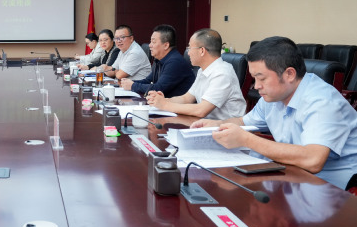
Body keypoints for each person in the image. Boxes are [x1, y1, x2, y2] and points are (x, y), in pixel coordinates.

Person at [192, 36, 357, 190]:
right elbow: (243, 122)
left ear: (289, 74)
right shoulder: (273, 96)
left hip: (335, 189)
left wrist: (246, 140)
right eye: (254, 78)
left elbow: (313, 160)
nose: (256, 86)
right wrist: (217, 124)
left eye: (262, 78)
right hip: (293, 177)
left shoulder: (322, 101)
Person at [147, 28, 245, 119]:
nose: (188, 53)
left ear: (202, 50)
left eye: (190, 48)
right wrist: (163, 100)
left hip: (228, 128)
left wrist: (165, 105)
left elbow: (201, 110)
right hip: (207, 124)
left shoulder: (222, 73)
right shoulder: (202, 70)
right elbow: (186, 98)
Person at [120, 24, 195, 97]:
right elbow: (148, 81)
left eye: (153, 42)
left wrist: (133, 85)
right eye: (150, 41)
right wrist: (128, 83)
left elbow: (159, 89)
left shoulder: (175, 62)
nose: (150, 45)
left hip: (177, 104)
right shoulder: (159, 59)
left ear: (166, 45)